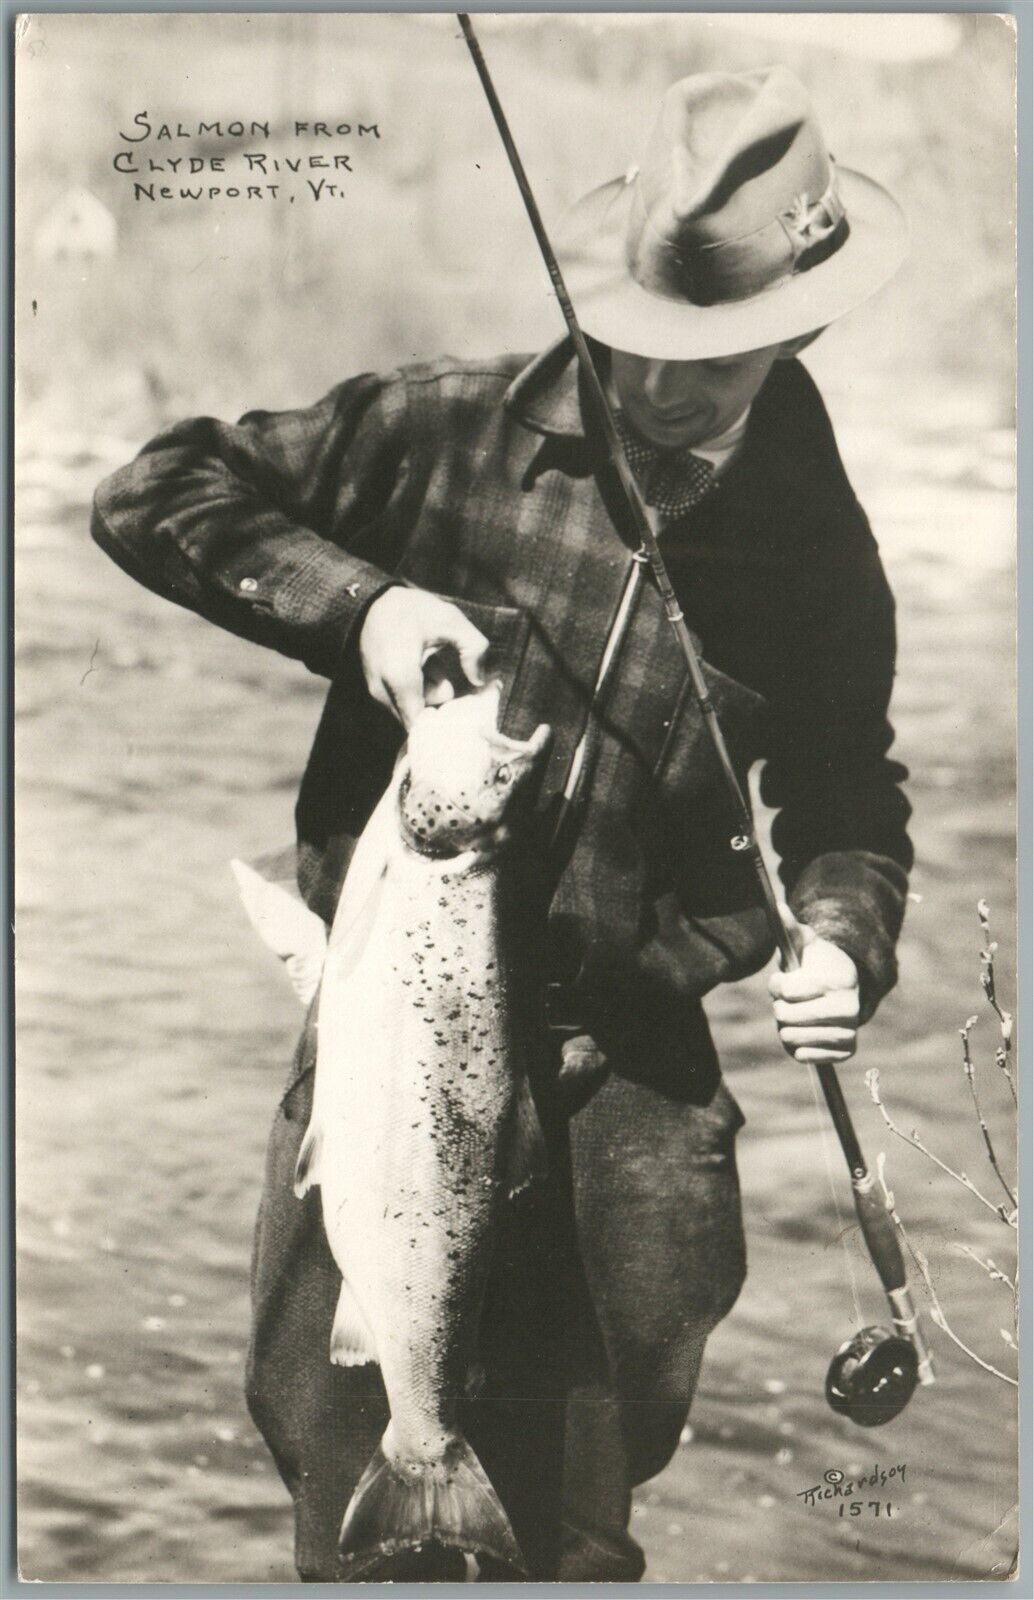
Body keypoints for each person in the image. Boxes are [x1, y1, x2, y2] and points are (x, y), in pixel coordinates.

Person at [91, 66, 912, 1583]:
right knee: (357, 1520)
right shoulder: (437, 432)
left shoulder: (816, 548)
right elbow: (156, 491)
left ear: (796, 330)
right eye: (643, 346)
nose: (663, 393)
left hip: (635, 1099)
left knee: (574, 1534)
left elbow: (848, 794)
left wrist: (846, 944)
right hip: (391, 1051)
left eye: (712, 363)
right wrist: (367, 608)